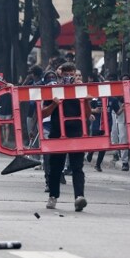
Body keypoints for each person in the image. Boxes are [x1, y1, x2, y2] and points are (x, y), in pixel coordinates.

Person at [42, 62, 90, 211]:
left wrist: (86, 101)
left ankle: (79, 197)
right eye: (66, 74)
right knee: (56, 167)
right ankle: (53, 196)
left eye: (71, 74)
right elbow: (43, 113)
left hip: (76, 133)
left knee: (77, 167)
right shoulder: (53, 90)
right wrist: (54, 104)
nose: (68, 77)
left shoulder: (81, 90)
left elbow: (87, 115)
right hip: (57, 133)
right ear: (60, 75)